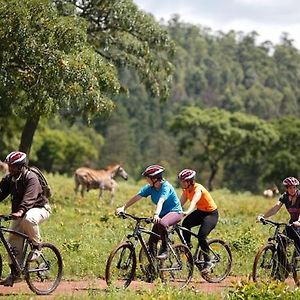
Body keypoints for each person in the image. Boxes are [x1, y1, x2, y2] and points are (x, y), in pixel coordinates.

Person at [0, 151, 51, 286]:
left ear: (22, 165)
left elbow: (30, 197)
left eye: (14, 166)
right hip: (20, 212)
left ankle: (37, 246)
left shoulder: (31, 178)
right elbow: (0, 193)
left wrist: (21, 210)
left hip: (40, 209)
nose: (10, 168)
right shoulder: (9, 179)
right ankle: (15, 274)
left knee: (28, 218)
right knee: (13, 241)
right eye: (9, 165)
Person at [116, 165, 183, 259]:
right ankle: (153, 267)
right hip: (162, 214)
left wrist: (156, 214)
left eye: (148, 178)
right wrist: (124, 207)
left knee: (163, 224)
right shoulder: (150, 188)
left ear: (154, 178)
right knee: (152, 241)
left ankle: (165, 249)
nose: (146, 180)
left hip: (175, 212)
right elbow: (137, 197)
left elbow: (161, 201)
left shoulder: (166, 187)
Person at [178, 169, 219, 273]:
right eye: (181, 181)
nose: (181, 183)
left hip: (211, 214)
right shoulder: (186, 190)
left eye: (183, 181)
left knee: (201, 236)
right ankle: (187, 246)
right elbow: (179, 204)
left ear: (190, 181)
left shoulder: (198, 189)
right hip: (200, 212)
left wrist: (187, 212)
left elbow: (194, 201)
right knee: (186, 223)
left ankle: (208, 261)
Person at [257, 176, 300, 254]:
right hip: (293, 222)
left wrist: (299, 222)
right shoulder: (285, 197)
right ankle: (282, 264)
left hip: (299, 222)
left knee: (298, 245)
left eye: (294, 187)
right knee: (281, 242)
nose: (292, 190)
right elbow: (275, 208)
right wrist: (263, 217)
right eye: (290, 188)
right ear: (286, 189)